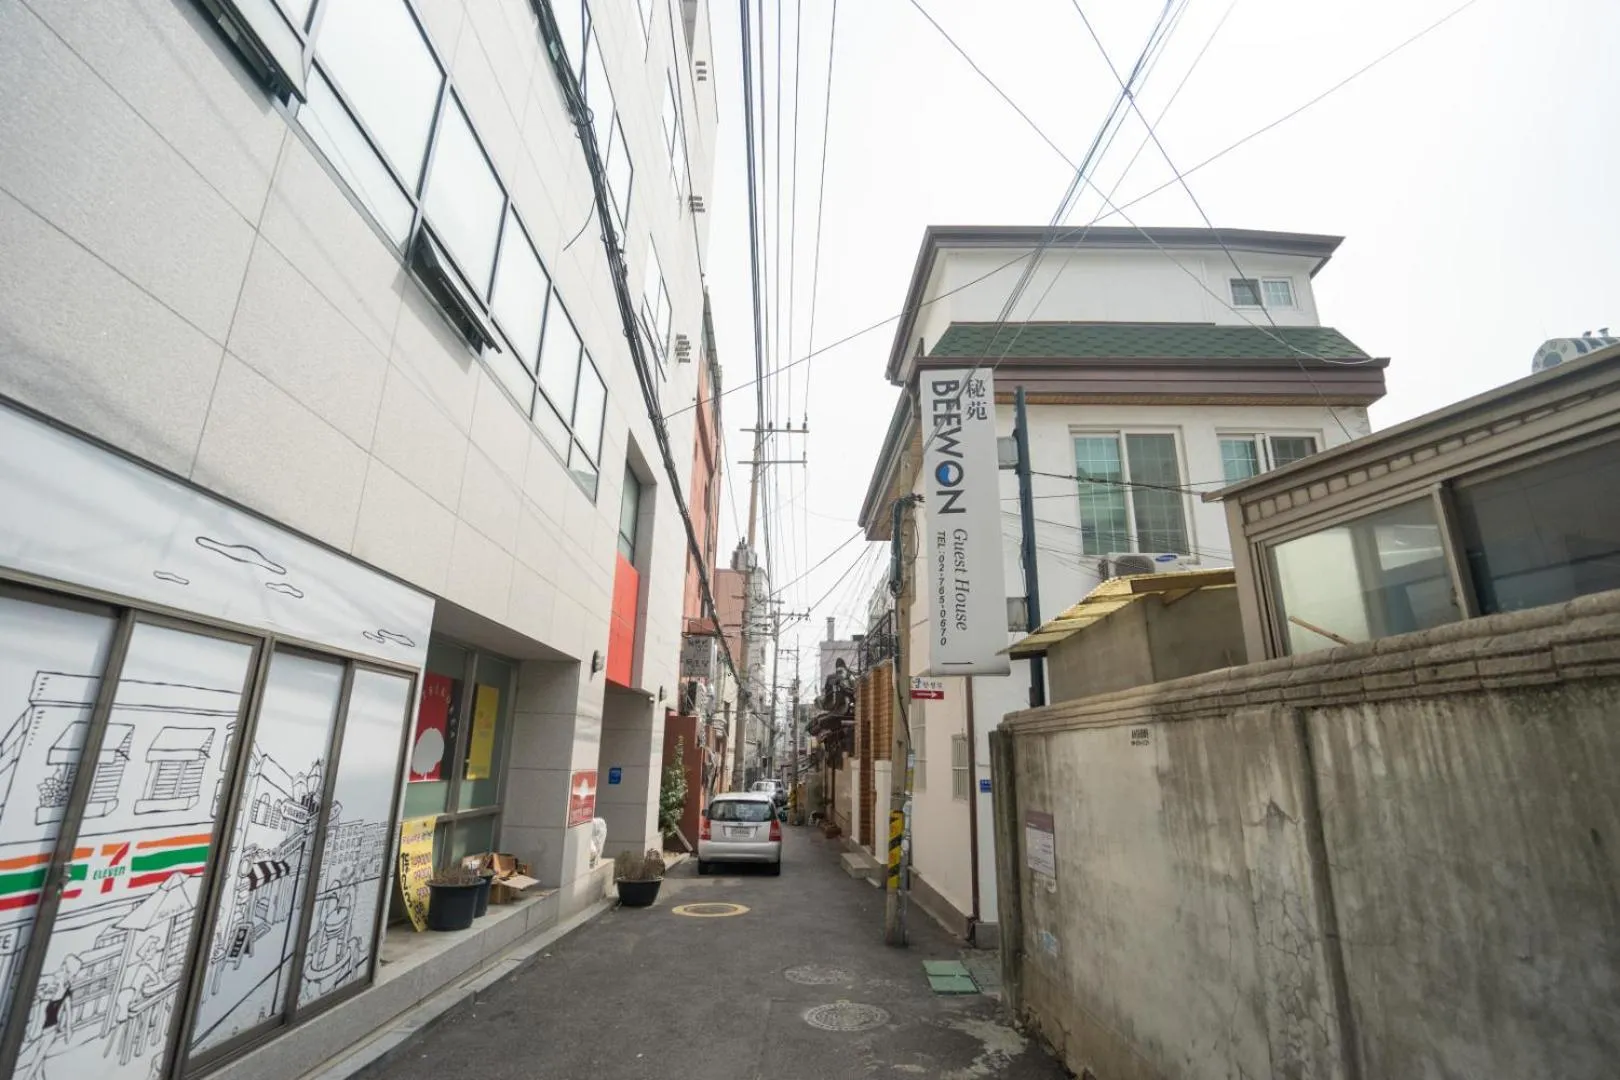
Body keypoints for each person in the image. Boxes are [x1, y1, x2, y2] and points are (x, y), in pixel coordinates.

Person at [20, 955, 80, 1080]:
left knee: (37, 1060)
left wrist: (69, 1029)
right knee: (39, 1063)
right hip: (41, 1028)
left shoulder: (66, 990)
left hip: (50, 1029)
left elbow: (68, 1011)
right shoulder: (52, 983)